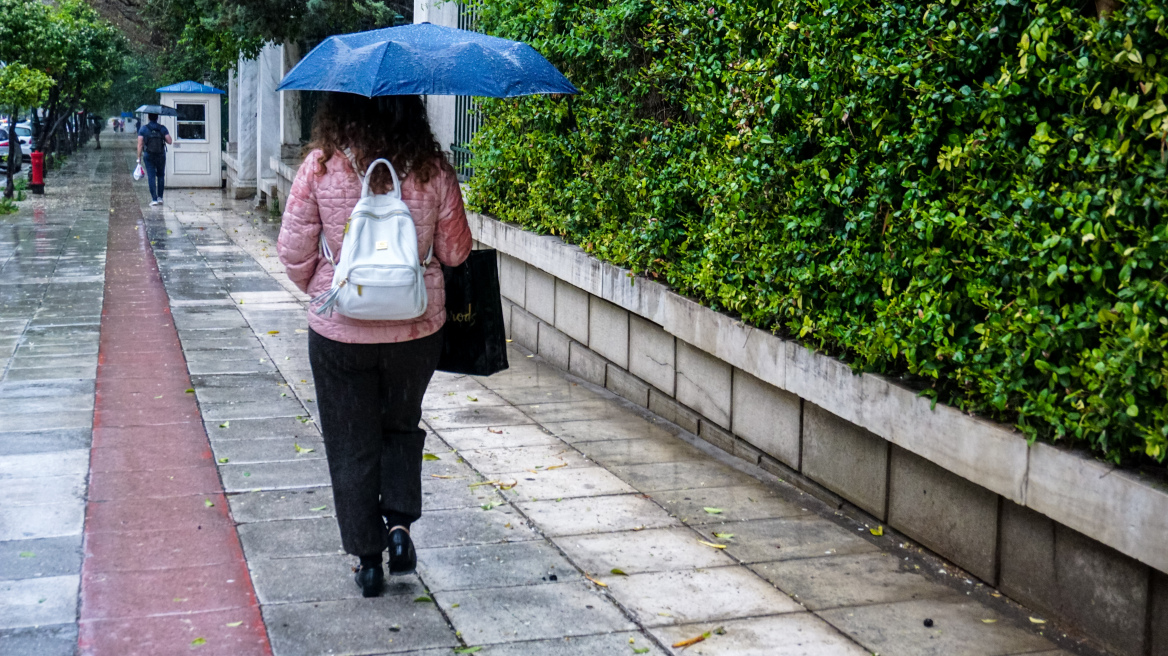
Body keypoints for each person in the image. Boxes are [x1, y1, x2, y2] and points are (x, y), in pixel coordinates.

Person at [276, 93, 471, 598]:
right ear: (411, 110)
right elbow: (455, 251)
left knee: (350, 442)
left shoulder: (320, 166)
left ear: (338, 108)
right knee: (400, 427)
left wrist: (328, 286)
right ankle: (399, 529)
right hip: (416, 332)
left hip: (340, 333)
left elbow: (294, 253)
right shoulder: (432, 169)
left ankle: (367, 560)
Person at [136, 113, 171, 206]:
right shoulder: (162, 128)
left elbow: (140, 144)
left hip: (149, 155)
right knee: (160, 175)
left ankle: (154, 199)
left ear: (148, 117)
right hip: (161, 155)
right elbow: (170, 141)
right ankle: (160, 198)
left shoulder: (143, 129)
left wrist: (138, 158)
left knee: (151, 176)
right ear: (157, 117)